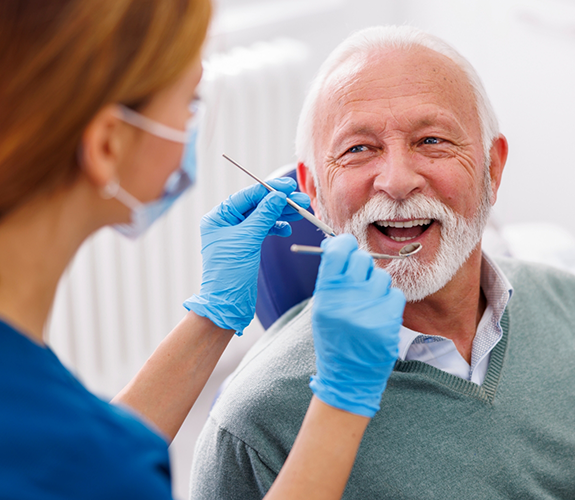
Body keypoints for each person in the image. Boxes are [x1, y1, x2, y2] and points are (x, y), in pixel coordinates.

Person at [0, 2, 406, 499]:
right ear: (107, 144)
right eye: (190, 103)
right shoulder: (99, 461)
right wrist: (343, 399)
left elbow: (65, 466)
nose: (397, 180)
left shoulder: (54, 429)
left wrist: (212, 316)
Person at [189, 25, 575, 499]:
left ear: (493, 167)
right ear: (312, 190)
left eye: (431, 140)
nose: (396, 181)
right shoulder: (256, 430)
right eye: (358, 149)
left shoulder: (567, 305)